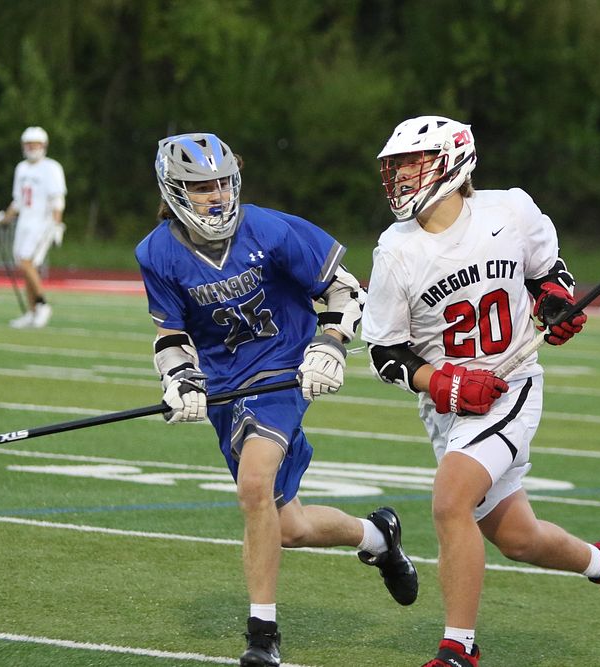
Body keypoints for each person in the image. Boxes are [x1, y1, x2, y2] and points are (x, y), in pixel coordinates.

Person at [360, 116, 600, 667]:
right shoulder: (395, 250)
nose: (401, 176)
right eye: (396, 166)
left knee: (450, 500)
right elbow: (385, 353)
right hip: (450, 407)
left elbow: (549, 275)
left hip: (512, 382)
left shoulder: (509, 210)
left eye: (412, 162)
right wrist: (441, 381)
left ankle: (459, 650)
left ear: (453, 162)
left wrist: (555, 306)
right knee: (519, 538)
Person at [134, 132, 418, 667]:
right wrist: (180, 380)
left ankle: (263, 636)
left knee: (254, 485)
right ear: (174, 191)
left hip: (283, 371)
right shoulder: (157, 253)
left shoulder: (268, 228)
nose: (216, 195)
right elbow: (170, 335)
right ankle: (378, 536)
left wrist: (329, 344)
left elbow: (344, 288)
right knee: (288, 525)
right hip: (226, 388)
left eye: (222, 182)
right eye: (200, 187)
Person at [0, 126, 67, 328]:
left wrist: (56, 223)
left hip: (43, 223)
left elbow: (57, 199)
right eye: (28, 144)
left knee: (26, 262)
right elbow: (18, 202)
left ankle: (42, 304)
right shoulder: (21, 168)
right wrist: (2, 219)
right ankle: (32, 312)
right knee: (23, 265)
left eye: (35, 144)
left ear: (43, 146)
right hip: (25, 223)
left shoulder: (51, 167)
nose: (31, 148)